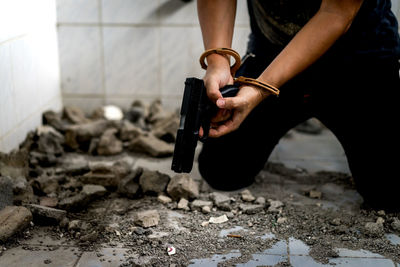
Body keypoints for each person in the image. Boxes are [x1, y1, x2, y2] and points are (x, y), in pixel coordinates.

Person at [196, 0, 400, 211]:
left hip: (360, 57)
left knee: (390, 193)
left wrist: (260, 88)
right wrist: (218, 61)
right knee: (221, 171)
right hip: (272, 51)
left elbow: (336, 13)